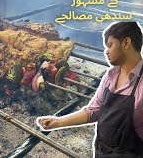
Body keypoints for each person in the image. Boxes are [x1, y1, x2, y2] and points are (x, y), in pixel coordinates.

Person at [37, 22, 143, 157]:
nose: (106, 51)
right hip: (102, 152)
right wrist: (58, 122)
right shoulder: (111, 76)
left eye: (110, 45)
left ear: (126, 43)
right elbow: (94, 110)